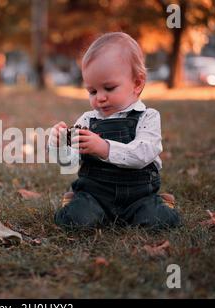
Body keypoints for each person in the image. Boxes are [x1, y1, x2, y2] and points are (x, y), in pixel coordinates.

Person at [49, 32, 181, 230]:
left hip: (138, 197)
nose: (100, 98)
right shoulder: (87, 120)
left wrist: (103, 148)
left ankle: (159, 203)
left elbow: (142, 154)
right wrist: (59, 144)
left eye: (109, 88)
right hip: (96, 196)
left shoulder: (148, 117)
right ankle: (76, 201)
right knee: (77, 221)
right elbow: (68, 163)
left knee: (159, 222)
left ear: (137, 84)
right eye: (92, 91)